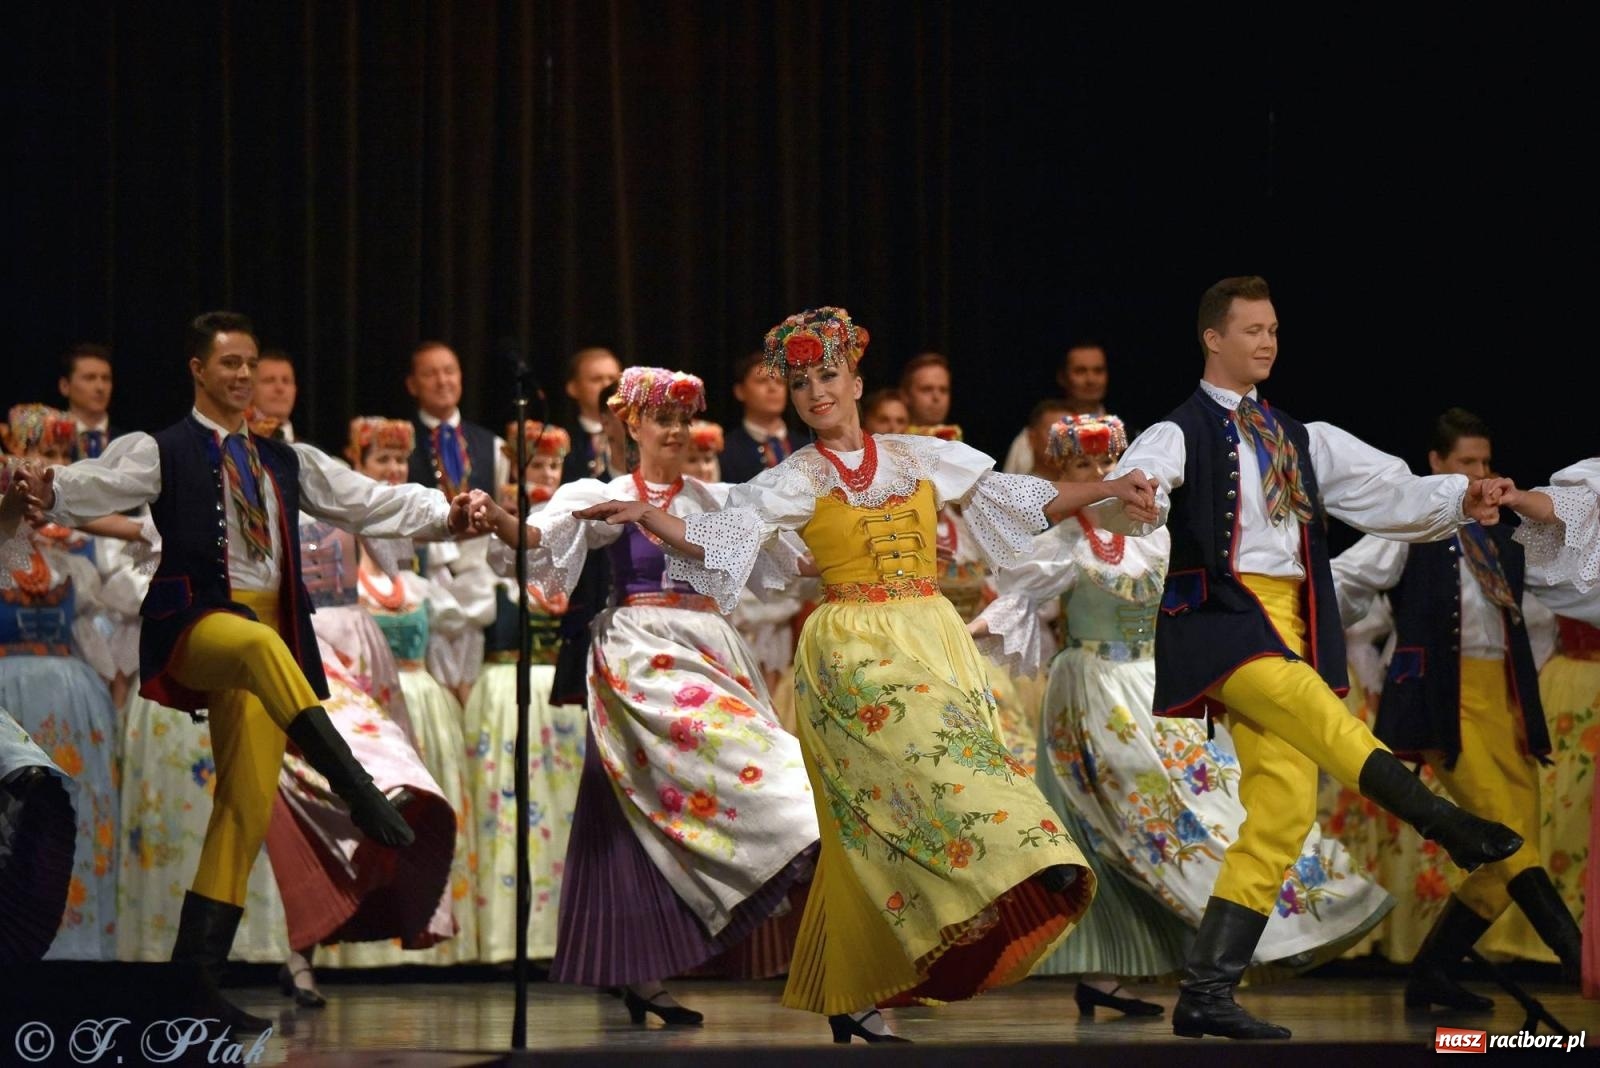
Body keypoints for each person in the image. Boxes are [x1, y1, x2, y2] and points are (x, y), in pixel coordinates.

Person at [569, 308, 1160, 1043]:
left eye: (826, 376)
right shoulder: (792, 477)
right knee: (936, 776)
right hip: (851, 650)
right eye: (800, 382)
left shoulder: (918, 457)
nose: (815, 391)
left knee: (865, 833)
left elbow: (1019, 497)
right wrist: (650, 520)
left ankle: (850, 988)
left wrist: (1106, 491)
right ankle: (1029, 857)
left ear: (854, 380)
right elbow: (720, 540)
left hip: (930, 634)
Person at [9, 311, 482, 1030]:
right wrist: (43, 490)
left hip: (264, 623)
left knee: (244, 803)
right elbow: (91, 487)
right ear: (198, 369)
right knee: (261, 648)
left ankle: (190, 988)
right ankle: (351, 781)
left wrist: (447, 514)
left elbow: (370, 501)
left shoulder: (287, 461)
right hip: (198, 622)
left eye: (250, 363)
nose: (243, 375)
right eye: (229, 362)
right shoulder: (162, 448)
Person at [1091, 276, 1523, 1040]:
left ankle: (1207, 991)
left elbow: (1390, 492)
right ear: (1213, 339)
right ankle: (1448, 824)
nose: (1267, 342)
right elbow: (1140, 483)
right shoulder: (1179, 430)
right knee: (1324, 717)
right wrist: (1141, 497)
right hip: (1225, 620)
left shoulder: (1303, 436)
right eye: (1253, 329)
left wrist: (1464, 494)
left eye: (1275, 330)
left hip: (1293, 619)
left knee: (1286, 811)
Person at [973, 413, 1392, 1014]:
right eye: (1081, 468)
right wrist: (959, 633)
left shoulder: (1155, 534)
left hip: (1157, 684)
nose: (1097, 475)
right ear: (1061, 475)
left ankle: (1147, 963)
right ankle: (1164, 960)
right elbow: (1018, 604)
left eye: (1104, 464)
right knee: (1128, 824)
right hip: (1093, 686)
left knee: (1208, 801)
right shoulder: (1061, 542)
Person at [469, 365, 819, 1027]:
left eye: (686, 420)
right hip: (641, 652)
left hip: (713, 650)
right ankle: (639, 972)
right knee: (628, 802)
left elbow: (783, 559)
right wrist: (498, 516)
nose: (679, 432)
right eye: (664, 419)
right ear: (633, 425)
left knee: (754, 776)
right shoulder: (599, 493)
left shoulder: (717, 501)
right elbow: (540, 542)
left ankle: (666, 950)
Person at [1331, 408, 1578, 1008]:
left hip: (1505, 703)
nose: (1481, 473)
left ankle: (1432, 973)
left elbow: (1542, 611)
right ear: (1437, 465)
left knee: (1514, 852)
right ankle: (1584, 966)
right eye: (1467, 462)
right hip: (1445, 702)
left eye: (1486, 462)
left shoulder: (1504, 534)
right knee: (1511, 840)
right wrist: (1306, 635)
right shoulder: (1416, 525)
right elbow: (1346, 580)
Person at [0, 406, 120, 960]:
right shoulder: (6, 545)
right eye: (32, 456)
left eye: (55, 458)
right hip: (8, 697)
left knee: (72, 814)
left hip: (72, 700)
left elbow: (95, 635)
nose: (42, 470)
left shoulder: (73, 557)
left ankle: (78, 948)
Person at [464, 422, 586, 964]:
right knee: (509, 811)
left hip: (558, 694)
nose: (545, 476)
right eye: (535, 467)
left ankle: (557, 940)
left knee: (561, 814)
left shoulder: (569, 534)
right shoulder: (489, 540)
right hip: (506, 687)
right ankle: (504, 940)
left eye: (553, 468)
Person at [1497, 458, 1600, 1000]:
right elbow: (1567, 506)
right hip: (1577, 679)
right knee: (1556, 813)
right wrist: (1517, 499)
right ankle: (1563, 942)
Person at [1002, 342, 1110, 476]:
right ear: (1062, 377)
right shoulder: (1029, 439)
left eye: (1098, 371)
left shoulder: (1125, 435)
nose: (1091, 379)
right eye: (1080, 371)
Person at [719, 350, 795, 483]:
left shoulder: (807, 445)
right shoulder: (724, 451)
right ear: (740, 391)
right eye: (762, 381)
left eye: (779, 381)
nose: (773, 388)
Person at [561, 347, 624, 482]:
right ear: (573, 388)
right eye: (596, 379)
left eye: (612, 379)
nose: (607, 385)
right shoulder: (562, 439)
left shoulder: (638, 436)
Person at [57, 343, 118, 460]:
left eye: (106, 378)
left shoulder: (127, 443)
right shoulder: (51, 443)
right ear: (65, 386)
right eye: (90, 378)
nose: (100, 387)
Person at [248, 349, 299, 442]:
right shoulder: (233, 444)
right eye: (269, 380)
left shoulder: (313, 453)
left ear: (295, 390)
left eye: (286, 381)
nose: (279, 388)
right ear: (250, 388)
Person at [899, 351, 952, 427]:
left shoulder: (957, 437)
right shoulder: (890, 437)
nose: (937, 397)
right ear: (905, 395)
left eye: (943, 390)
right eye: (927, 389)